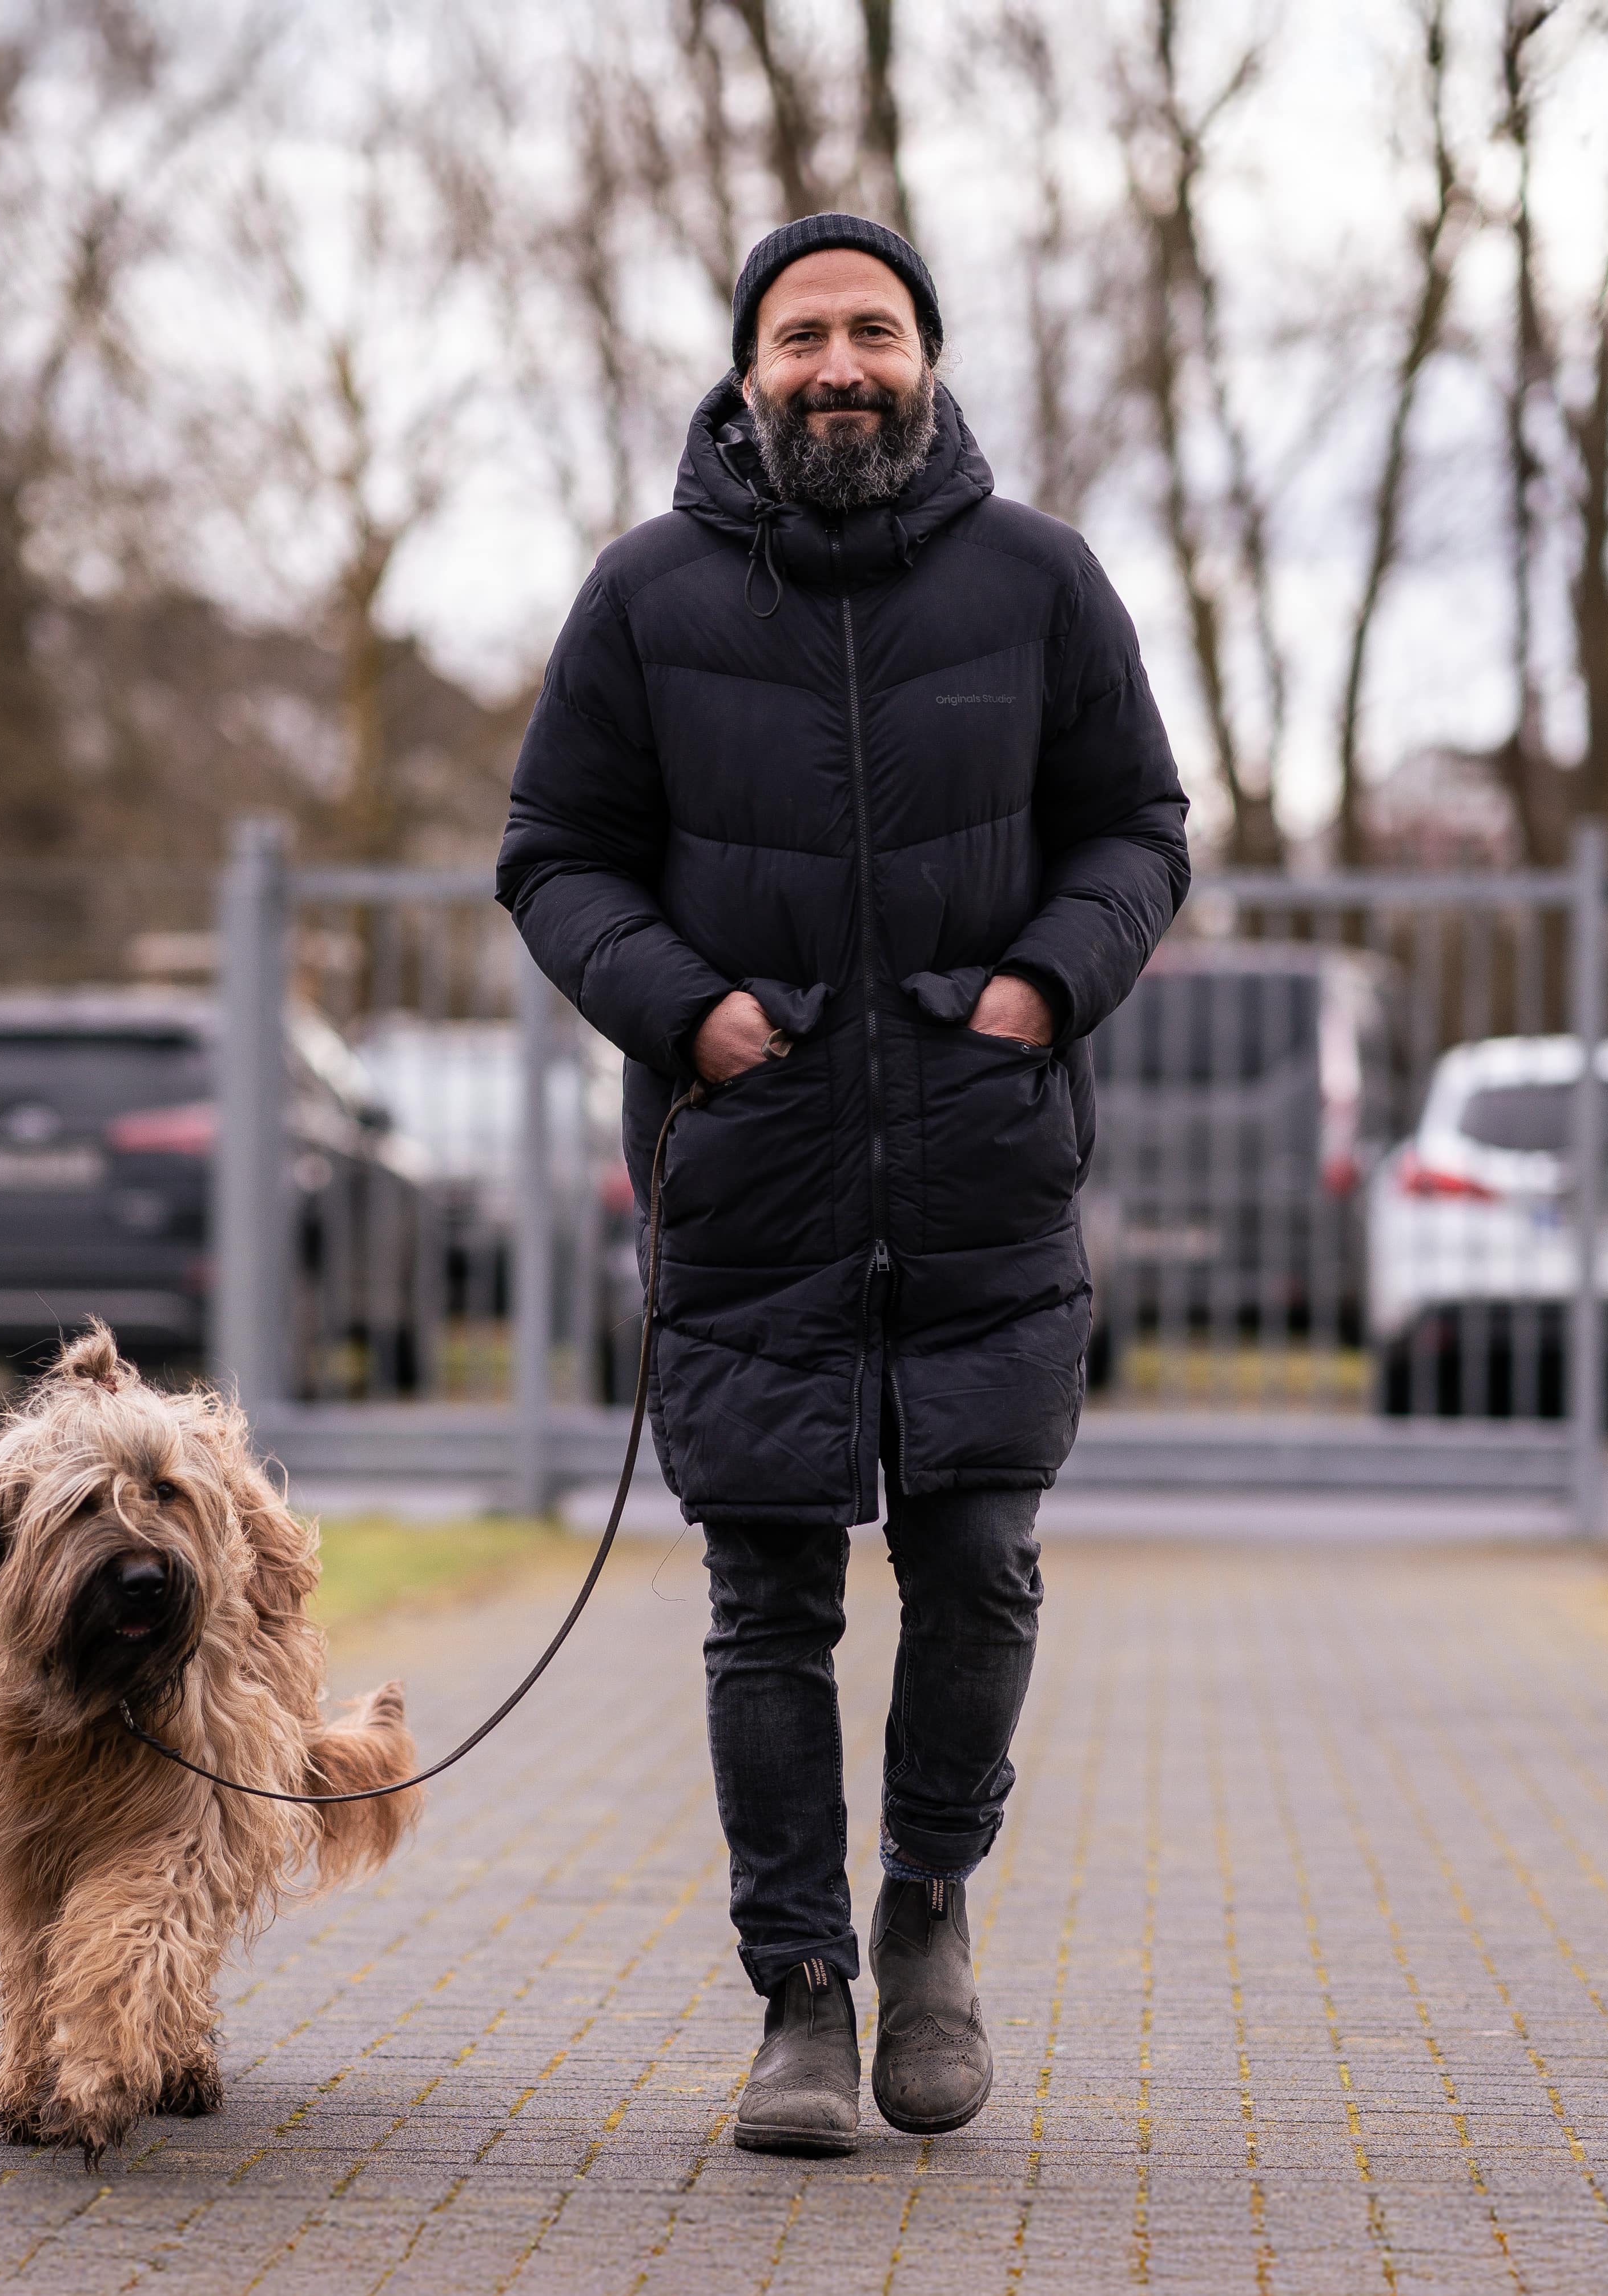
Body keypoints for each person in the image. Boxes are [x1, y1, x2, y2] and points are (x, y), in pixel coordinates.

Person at [495, 214, 1188, 2154]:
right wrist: (687, 1012)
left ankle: (927, 1912)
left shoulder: (1039, 582)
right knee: (764, 1597)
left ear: (927, 358)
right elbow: (552, 853)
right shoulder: (640, 599)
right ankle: (799, 1999)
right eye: (796, 334)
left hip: (980, 1171)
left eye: (868, 329)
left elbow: (1137, 826)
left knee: (975, 1570)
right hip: (752, 1183)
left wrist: (1038, 989)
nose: (833, 363)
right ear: (741, 372)